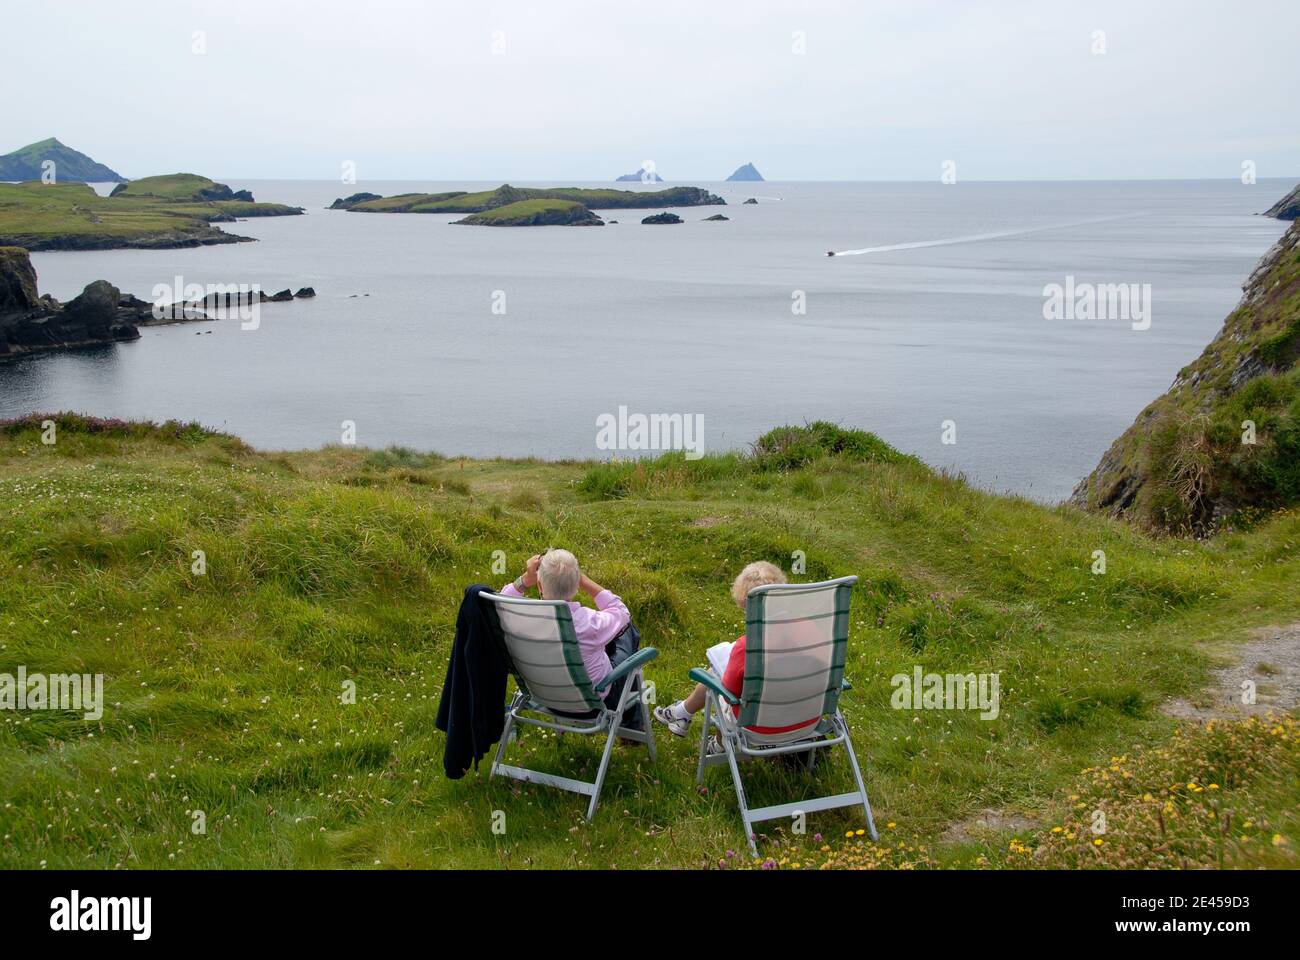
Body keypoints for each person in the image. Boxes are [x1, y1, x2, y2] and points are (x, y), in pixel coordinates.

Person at [653, 560, 818, 739]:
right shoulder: (811, 631)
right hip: (808, 719)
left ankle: (713, 740)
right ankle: (681, 713)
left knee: (716, 677)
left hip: (759, 726)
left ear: (748, 607)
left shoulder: (748, 647)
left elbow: (730, 689)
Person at [501, 549, 640, 719]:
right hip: (593, 704)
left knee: (607, 638)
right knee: (626, 632)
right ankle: (632, 722)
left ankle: (633, 721)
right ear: (576, 587)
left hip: (543, 697)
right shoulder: (589, 623)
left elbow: (502, 601)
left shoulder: (520, 618)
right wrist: (583, 580)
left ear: (539, 585)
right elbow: (622, 613)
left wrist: (524, 580)